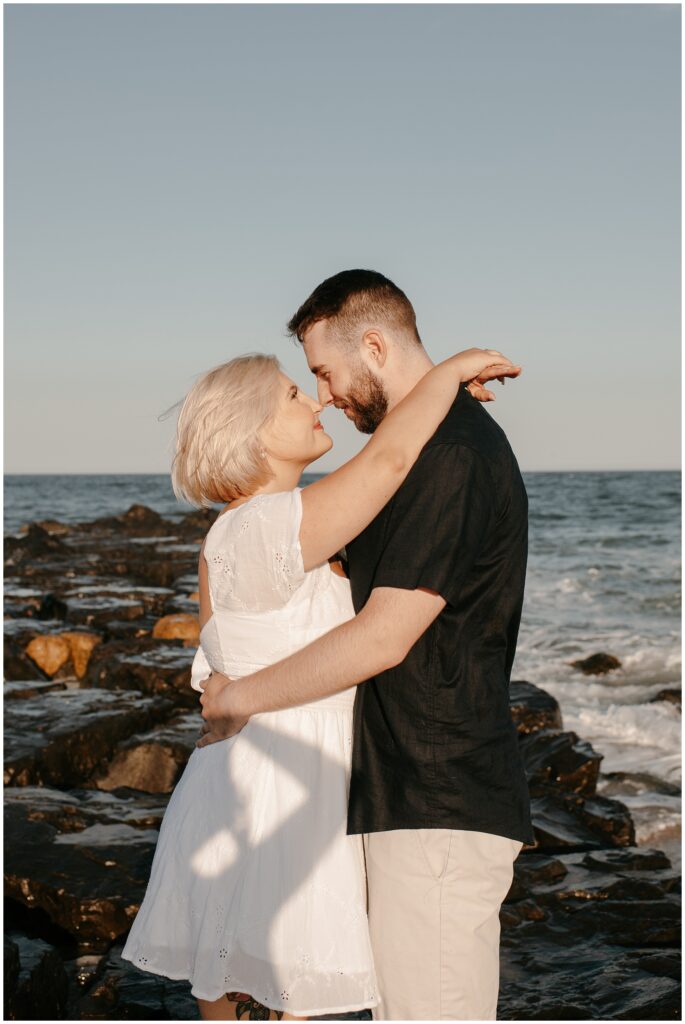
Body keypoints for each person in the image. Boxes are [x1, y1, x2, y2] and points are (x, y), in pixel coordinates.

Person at [120, 337, 519, 1021]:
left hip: (254, 774)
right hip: (287, 782)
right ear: (250, 433)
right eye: (292, 393)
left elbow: (215, 662)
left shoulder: (239, 535)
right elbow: (388, 463)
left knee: (243, 976)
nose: (318, 398)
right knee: (277, 983)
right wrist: (444, 377)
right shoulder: (268, 528)